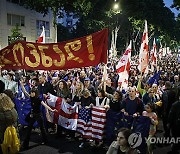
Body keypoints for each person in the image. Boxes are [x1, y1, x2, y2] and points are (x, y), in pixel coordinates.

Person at [20, 84, 57, 149]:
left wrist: (52, 110)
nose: (31, 93)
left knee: (42, 129)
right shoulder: (31, 98)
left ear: (35, 93)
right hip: (33, 114)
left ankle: (45, 141)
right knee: (29, 129)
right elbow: (25, 92)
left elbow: (45, 105)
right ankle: (25, 144)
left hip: (39, 115)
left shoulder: (39, 100)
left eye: (32, 92)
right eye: (31, 92)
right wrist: (21, 85)